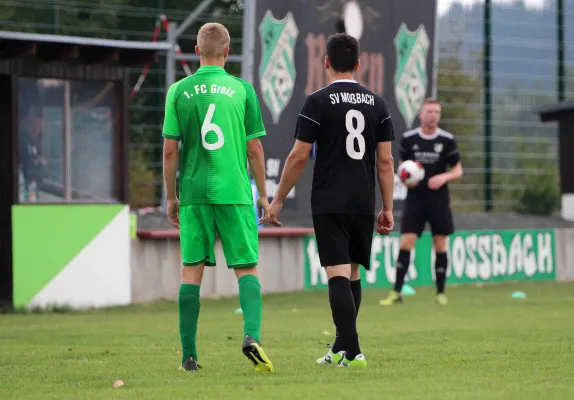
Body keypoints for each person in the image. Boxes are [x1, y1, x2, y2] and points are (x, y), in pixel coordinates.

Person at [265, 33, 396, 368]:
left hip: (329, 200)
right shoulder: (378, 104)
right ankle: (341, 347)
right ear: (358, 64)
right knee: (352, 273)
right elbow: (385, 162)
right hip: (363, 201)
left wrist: (277, 200)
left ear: (325, 63)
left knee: (336, 273)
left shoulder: (318, 101)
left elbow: (297, 157)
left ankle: (353, 352)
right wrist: (388, 207)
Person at [162, 22, 274, 373]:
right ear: (227, 52)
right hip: (235, 192)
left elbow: (169, 151)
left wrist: (171, 197)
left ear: (197, 52)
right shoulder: (242, 90)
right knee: (247, 268)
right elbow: (254, 148)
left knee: (191, 272)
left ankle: (189, 357)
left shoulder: (178, 90)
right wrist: (264, 197)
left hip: (195, 193)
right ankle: (251, 336)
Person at [380, 99, 463, 307]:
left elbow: (458, 170)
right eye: (430, 111)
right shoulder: (409, 139)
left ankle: (440, 293)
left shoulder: (447, 140)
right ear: (421, 115)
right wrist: (407, 179)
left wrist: (444, 178)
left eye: (437, 111)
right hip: (416, 199)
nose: (434, 115)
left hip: (439, 200)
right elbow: (402, 169)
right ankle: (396, 292)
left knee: (440, 243)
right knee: (406, 241)